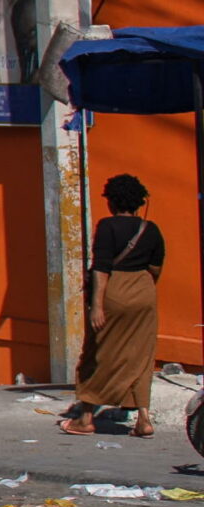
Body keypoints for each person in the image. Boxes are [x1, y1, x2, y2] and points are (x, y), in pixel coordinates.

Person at [61, 174, 165, 437]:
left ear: (113, 202)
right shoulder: (151, 229)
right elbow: (156, 267)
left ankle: (85, 418)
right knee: (141, 356)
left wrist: (97, 305)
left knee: (99, 353)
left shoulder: (107, 227)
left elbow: (101, 268)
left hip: (113, 292)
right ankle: (143, 419)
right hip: (143, 293)